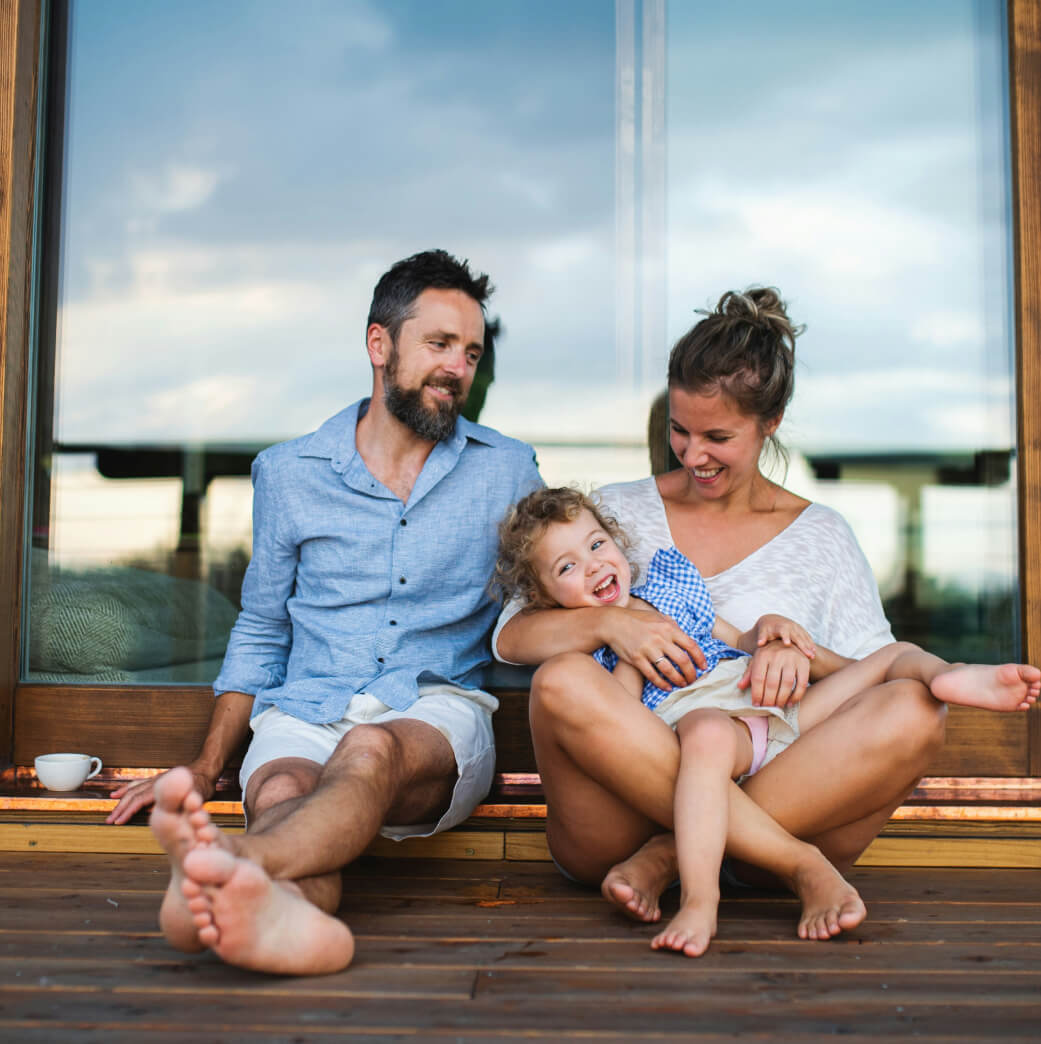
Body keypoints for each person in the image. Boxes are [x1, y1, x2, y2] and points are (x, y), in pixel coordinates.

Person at [106, 249, 541, 975]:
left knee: (368, 751)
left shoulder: (508, 470)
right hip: (306, 704)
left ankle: (223, 860)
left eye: (470, 352)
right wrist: (211, 763)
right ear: (380, 345)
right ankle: (281, 920)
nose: (457, 369)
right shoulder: (288, 472)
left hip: (431, 712)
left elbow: (543, 600)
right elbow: (262, 627)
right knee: (279, 792)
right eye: (438, 344)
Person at [493, 286, 961, 948]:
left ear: (768, 423)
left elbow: (872, 682)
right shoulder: (615, 514)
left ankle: (667, 857)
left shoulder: (822, 536)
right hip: (614, 825)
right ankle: (788, 860)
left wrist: (800, 655)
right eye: (678, 432)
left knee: (916, 709)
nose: (692, 455)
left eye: (717, 437)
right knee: (561, 681)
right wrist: (609, 624)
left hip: (767, 782)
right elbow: (512, 639)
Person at [493, 485, 1039, 955]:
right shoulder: (582, 648)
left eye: (596, 545)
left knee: (893, 664)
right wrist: (627, 646)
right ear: (541, 596)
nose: (592, 565)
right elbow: (619, 721)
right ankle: (723, 889)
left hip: (761, 705)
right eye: (567, 567)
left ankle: (950, 673)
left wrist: (776, 633)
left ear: (616, 541)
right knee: (704, 732)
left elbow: (738, 638)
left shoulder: (669, 589)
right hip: (707, 734)